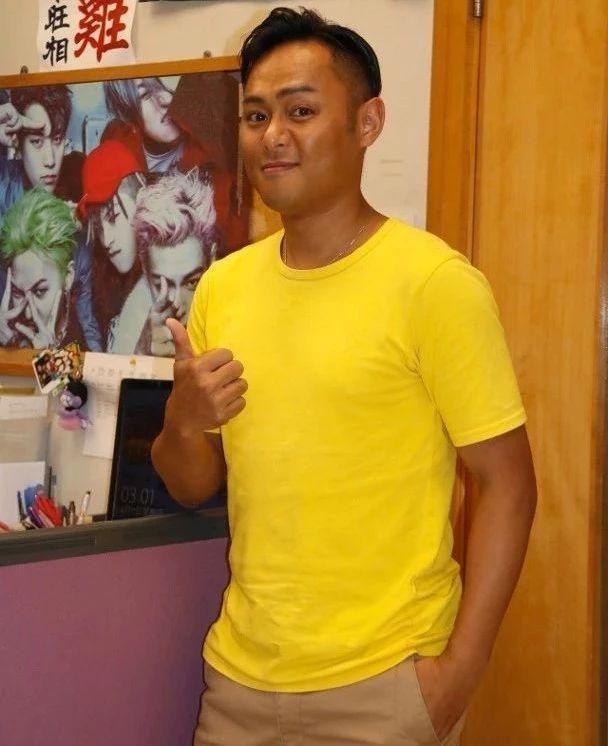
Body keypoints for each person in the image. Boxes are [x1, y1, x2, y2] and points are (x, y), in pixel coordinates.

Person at [152, 8, 537, 746]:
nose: (273, 135)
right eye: (256, 115)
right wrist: (184, 419)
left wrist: (458, 674)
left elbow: (508, 485)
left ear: (367, 123)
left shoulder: (433, 283)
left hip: (386, 686)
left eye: (300, 111)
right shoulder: (222, 289)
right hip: (237, 683)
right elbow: (192, 484)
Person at [0, 85, 102, 350]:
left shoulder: (74, 224)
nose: (49, 160)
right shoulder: (2, 188)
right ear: (18, 143)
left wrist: (53, 357)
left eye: (57, 140)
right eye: (36, 142)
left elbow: (87, 322)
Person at [102, 76, 250, 253]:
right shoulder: (118, 150)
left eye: (170, 87)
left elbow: (230, 239)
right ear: (128, 115)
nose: (166, 99)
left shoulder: (214, 149)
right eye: (145, 94)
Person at [107, 168, 216, 356]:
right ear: (145, 272)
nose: (176, 303)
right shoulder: (129, 326)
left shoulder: (237, 315)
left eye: (192, 283)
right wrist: (145, 355)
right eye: (161, 285)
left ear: (213, 260)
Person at [77, 139, 147, 350]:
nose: (107, 240)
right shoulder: (95, 281)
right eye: (98, 227)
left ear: (141, 201)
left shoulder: (170, 273)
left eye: (113, 217)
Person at [0, 187, 79, 349]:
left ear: (68, 277)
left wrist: (49, 358)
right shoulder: (9, 335)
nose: (28, 313)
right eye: (17, 293)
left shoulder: (83, 345)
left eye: (40, 291)